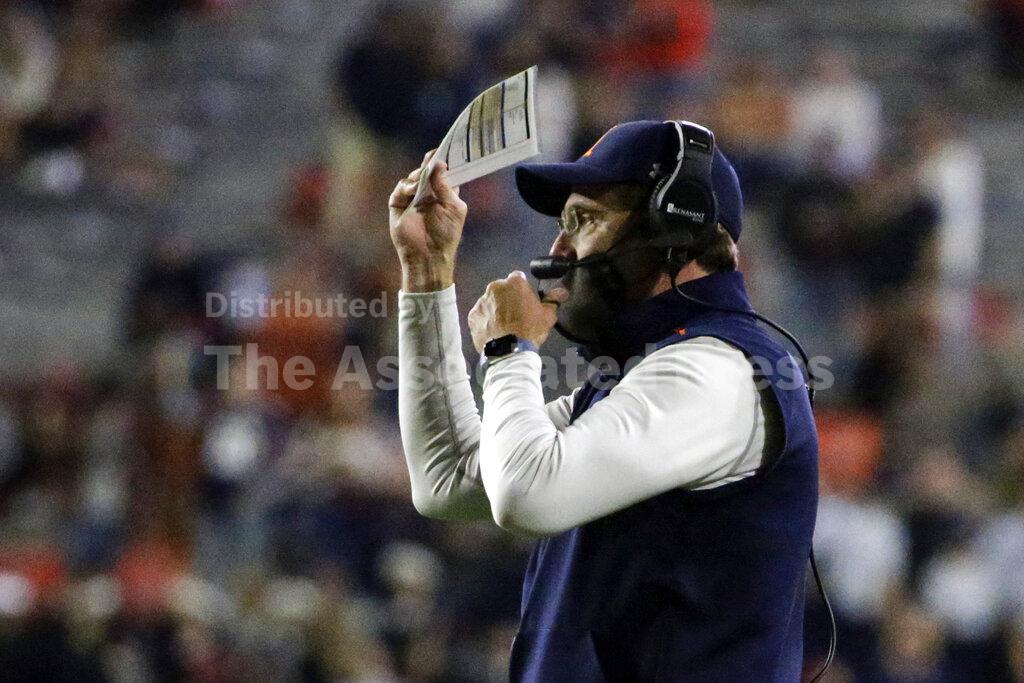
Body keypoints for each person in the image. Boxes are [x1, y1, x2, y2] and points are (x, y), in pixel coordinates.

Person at [388, 120, 820, 680]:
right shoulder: (645, 373)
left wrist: (509, 348)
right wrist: (427, 273)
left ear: (674, 225)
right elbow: (447, 477)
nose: (558, 249)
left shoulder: (718, 371)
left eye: (584, 221)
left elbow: (527, 496)